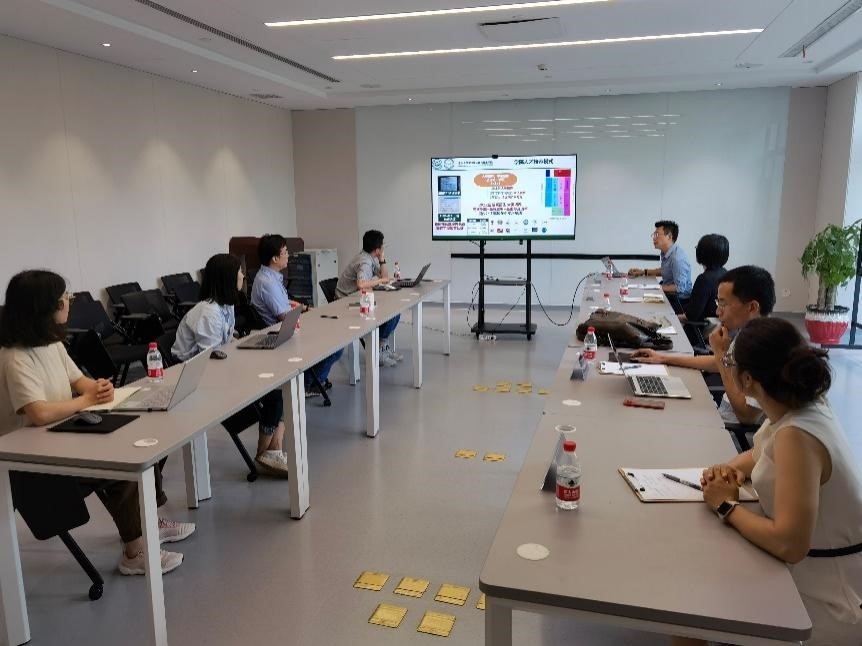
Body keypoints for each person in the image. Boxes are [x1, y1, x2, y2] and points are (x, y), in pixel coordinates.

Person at [0, 270, 193, 575]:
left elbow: (79, 381)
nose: (69, 301)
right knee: (123, 465)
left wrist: (98, 388)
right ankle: (135, 552)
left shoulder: (51, 345)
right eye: (64, 297)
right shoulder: (14, 357)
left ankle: (149, 523)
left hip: (61, 437)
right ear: (46, 307)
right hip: (31, 460)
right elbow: (38, 413)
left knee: (140, 442)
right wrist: (86, 400)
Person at [698, 318, 862, 645]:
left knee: (697, 598)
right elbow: (760, 453)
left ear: (747, 380)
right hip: (813, 572)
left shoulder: (796, 435)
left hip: (826, 602)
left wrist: (725, 505)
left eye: (729, 363)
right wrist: (726, 470)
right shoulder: (800, 407)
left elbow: (790, 544)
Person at [172, 253, 289, 477]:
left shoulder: (226, 305)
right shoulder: (208, 312)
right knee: (274, 393)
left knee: (281, 384)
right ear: (227, 277)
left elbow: (226, 341)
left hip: (219, 367)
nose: (243, 275)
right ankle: (266, 453)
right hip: (196, 378)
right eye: (239, 272)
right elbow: (212, 359)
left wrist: (250, 342)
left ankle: (271, 452)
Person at [632, 265, 774, 426]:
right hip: (717, 415)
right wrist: (663, 358)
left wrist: (720, 353)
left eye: (723, 304)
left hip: (726, 429)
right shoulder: (749, 332)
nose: (717, 312)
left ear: (752, 307)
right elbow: (718, 363)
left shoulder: (767, 348)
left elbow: (747, 416)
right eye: (718, 303)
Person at [250, 234, 343, 396]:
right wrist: (306, 316)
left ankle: (312, 379)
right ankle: (308, 384)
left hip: (287, 326)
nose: (288, 255)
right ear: (275, 258)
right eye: (285, 252)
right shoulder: (268, 283)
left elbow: (284, 302)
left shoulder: (269, 276)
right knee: (335, 345)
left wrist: (305, 308)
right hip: (282, 332)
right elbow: (284, 316)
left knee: (331, 337)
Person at [335, 229, 403, 367]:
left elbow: (384, 276)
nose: (383, 247)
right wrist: (380, 281)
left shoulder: (370, 257)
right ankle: (377, 351)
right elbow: (361, 284)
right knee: (389, 314)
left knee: (395, 312)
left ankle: (382, 347)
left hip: (357, 297)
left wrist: (382, 259)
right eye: (382, 246)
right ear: (377, 249)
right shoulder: (365, 262)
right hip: (347, 301)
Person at [628, 220, 692, 303]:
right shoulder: (666, 252)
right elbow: (666, 270)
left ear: (669, 237)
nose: (654, 238)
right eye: (654, 235)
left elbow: (679, 288)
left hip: (678, 301)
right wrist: (643, 272)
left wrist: (655, 287)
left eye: (657, 235)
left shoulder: (677, 259)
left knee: (641, 298)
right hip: (669, 295)